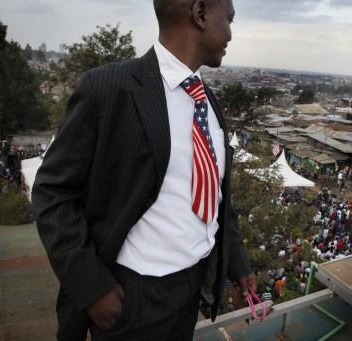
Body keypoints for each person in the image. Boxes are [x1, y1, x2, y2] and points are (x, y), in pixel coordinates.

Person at [32, 1, 255, 340]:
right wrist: (91, 285)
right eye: (230, 20)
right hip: (133, 298)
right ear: (200, 13)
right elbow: (52, 192)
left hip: (191, 289)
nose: (231, 34)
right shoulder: (107, 89)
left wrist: (236, 262)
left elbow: (216, 192)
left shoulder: (207, 102)